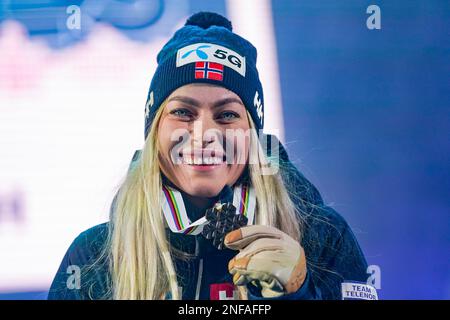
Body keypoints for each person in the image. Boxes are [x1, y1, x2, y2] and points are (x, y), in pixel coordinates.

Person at [48, 12, 369, 300]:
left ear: (254, 137)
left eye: (227, 115)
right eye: (183, 112)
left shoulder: (322, 236)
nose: (204, 134)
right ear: (154, 132)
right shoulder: (93, 255)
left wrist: (298, 295)